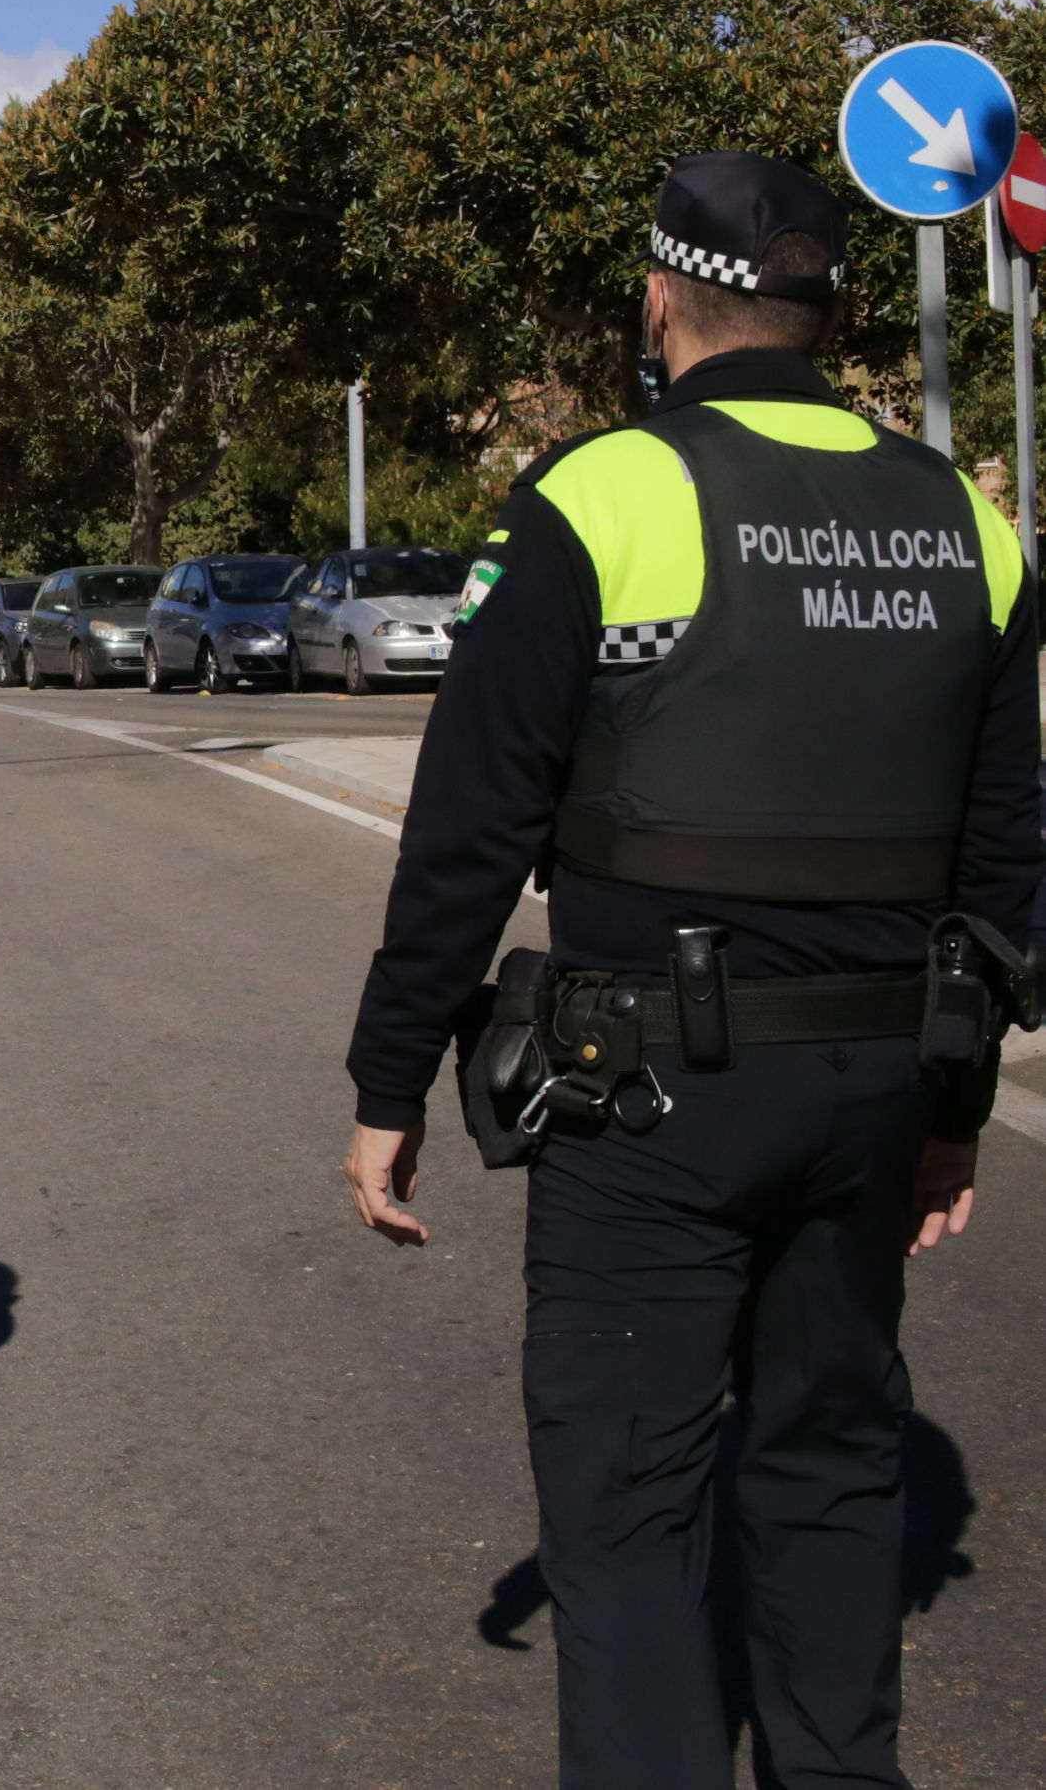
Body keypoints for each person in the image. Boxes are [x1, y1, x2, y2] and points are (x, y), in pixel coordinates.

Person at [337, 152, 1042, 1789]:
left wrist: (389, 1081)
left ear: (657, 302)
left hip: (645, 1101)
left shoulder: (599, 494)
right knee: (829, 1472)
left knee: (629, 1508)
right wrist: (951, 1100)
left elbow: (467, 829)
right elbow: (1005, 865)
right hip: (873, 1092)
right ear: (825, 315)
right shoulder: (965, 519)